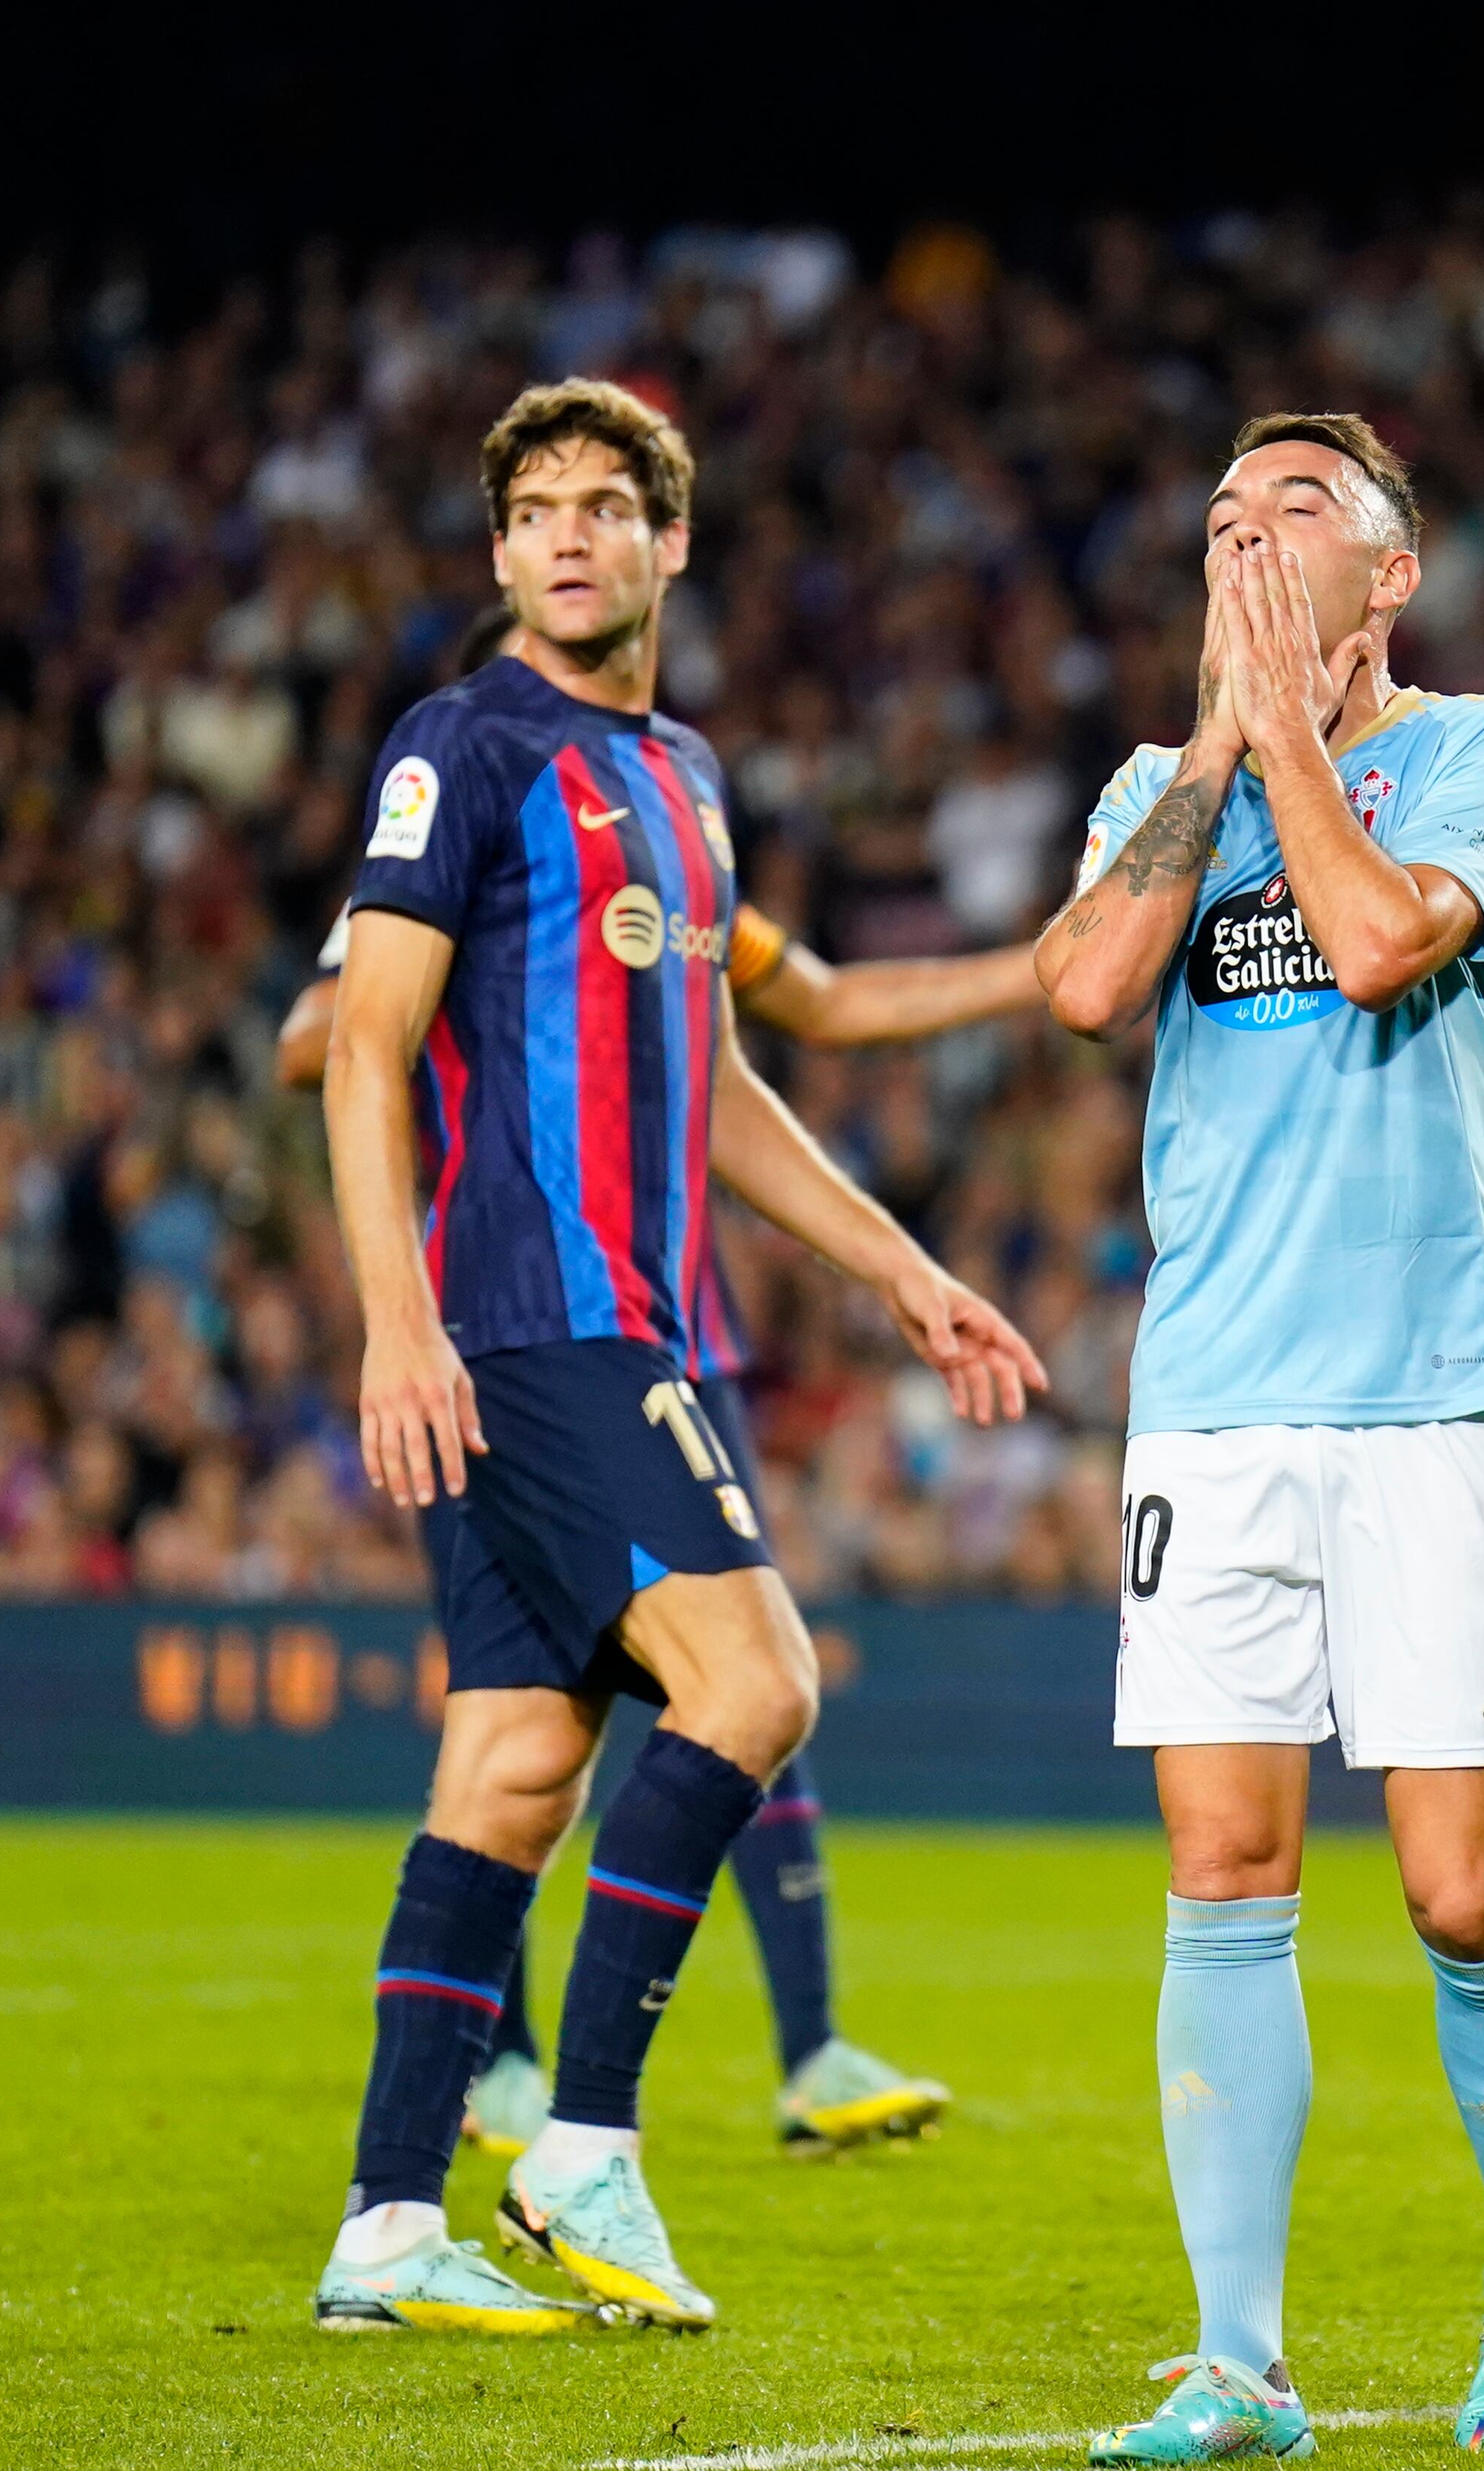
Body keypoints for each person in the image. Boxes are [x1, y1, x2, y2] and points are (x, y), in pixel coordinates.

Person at [309, 379, 1045, 2339]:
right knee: (763, 1673)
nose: (568, 535)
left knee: (518, 1757)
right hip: (535, 1323)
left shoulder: (689, 781)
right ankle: (587, 2145)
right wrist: (397, 1320)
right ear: (498, 555)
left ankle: (387, 2222)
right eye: (534, 509)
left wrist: (899, 1264)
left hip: (614, 1321)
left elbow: (715, 1076)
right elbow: (362, 1047)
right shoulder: (458, 746)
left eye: (604, 507)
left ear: (669, 542)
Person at [1037, 414, 1484, 2458]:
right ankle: (1239, 2359)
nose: (1244, 542)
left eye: (1293, 516)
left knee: (1456, 1891)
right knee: (1223, 1859)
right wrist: (1212, 748)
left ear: (1391, 574)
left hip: (1434, 1392)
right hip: (1214, 1404)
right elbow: (1087, 983)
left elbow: (1369, 942)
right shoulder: (1153, 786)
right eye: (1219, 522)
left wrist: (1284, 742)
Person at [280, 833, 1039, 2157]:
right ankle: (549, 2108)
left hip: (664, 1328)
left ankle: (444, 2191)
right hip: (516, 1329)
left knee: (657, 1701)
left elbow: (818, 1006)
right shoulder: (470, 819)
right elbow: (321, 1036)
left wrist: (1050, 962)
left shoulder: (669, 835)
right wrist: (474, 994)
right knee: (587, 1715)